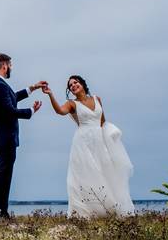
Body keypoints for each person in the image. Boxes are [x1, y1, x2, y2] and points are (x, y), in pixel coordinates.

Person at [42, 75, 135, 217]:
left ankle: (109, 207)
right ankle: (87, 210)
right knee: (87, 174)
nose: (73, 85)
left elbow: (102, 121)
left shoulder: (97, 99)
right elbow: (60, 111)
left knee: (105, 171)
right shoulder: (72, 104)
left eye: (75, 82)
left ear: (82, 84)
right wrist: (50, 95)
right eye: (70, 85)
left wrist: (109, 138)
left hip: (99, 140)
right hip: (82, 142)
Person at [0, 53, 45, 219]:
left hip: (3, 138)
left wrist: (32, 88)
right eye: (10, 65)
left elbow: (13, 97)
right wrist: (31, 111)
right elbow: (10, 111)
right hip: (5, 138)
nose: (11, 68)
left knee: (4, 177)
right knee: (1, 177)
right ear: (4, 65)